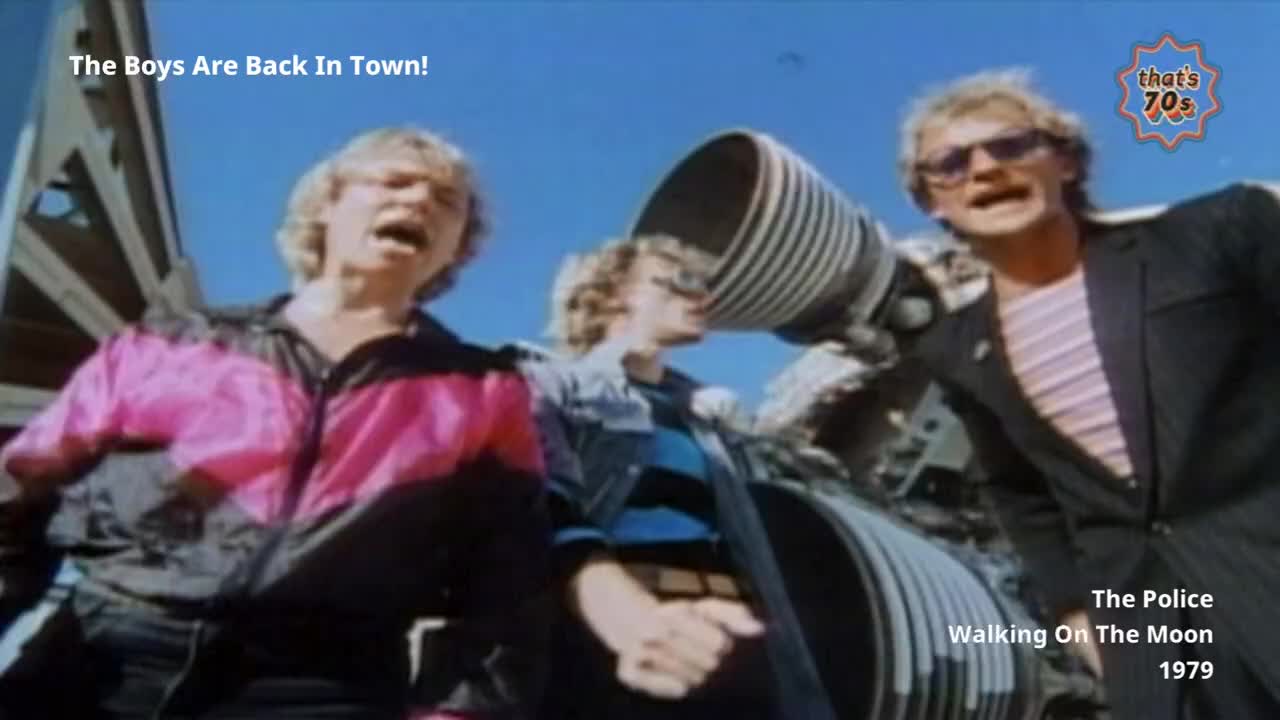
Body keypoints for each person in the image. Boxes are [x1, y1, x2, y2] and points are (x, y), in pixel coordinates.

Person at [0, 127, 550, 719]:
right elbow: (23, 484)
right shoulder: (167, 342)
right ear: (327, 206)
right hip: (102, 654)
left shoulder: (487, 390)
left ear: (456, 249)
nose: (418, 202)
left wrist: (458, 713)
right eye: (394, 182)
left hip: (322, 683)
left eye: (447, 202)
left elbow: (510, 577)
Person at [886, 67, 1280, 718]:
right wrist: (1075, 614)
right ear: (932, 202)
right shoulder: (956, 352)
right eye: (951, 164)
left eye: (1011, 146)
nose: (984, 169)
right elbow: (1020, 491)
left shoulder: (1215, 233)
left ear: (1065, 161)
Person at [515, 234, 836, 720]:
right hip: (617, 639)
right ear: (615, 292)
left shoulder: (704, 414)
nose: (702, 297)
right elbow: (538, 498)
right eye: (681, 281)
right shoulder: (552, 383)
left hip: (732, 637)